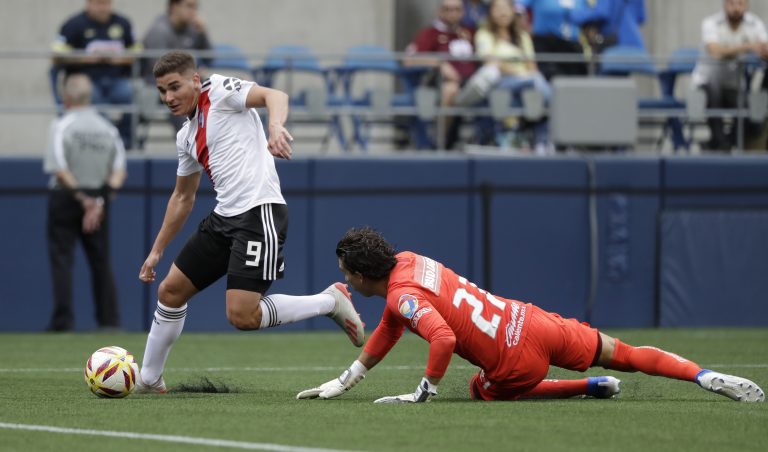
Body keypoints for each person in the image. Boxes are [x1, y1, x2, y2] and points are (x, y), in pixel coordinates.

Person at [297, 227, 765, 403]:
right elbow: (390, 328)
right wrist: (346, 380)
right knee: (623, 352)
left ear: (360, 274)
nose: (347, 281)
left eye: (346, 274)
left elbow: (441, 340)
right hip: (530, 320)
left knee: (480, 391)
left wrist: (425, 391)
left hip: (513, 362)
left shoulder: (400, 297)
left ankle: (585, 387)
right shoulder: (410, 263)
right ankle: (702, 376)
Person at [135, 51, 365, 393]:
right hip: (223, 218)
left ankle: (330, 301)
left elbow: (276, 95)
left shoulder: (220, 90)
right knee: (170, 291)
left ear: (195, 80)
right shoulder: (186, 136)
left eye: (174, 87)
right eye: (161, 91)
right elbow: (183, 198)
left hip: (260, 214)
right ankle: (150, 379)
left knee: (242, 316)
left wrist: (274, 126)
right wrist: (156, 252)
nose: (168, 97)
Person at [44, 74, 127, 332]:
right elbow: (119, 170)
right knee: (101, 260)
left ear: (66, 98)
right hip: (99, 198)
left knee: (62, 259)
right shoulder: (108, 129)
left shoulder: (61, 125)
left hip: (67, 198)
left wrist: (83, 200)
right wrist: (98, 202)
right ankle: (109, 321)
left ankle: (63, 321)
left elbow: (60, 169)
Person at [455, 0, 554, 154]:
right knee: (535, 84)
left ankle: (537, 142)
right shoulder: (484, 34)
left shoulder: (523, 36)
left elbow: (532, 65)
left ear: (513, 11)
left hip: (525, 88)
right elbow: (491, 62)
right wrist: (522, 75)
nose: (502, 12)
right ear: (491, 12)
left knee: (525, 93)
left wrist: (527, 77)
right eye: (498, 8)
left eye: (506, 8)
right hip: (500, 83)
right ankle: (552, 109)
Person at [52, 0, 141, 149]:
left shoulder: (123, 23)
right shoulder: (73, 24)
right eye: (98, 3)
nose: (102, 8)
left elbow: (138, 52)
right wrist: (84, 58)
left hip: (117, 79)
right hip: (87, 79)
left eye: (106, 3)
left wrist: (119, 59)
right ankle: (103, 143)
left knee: (133, 95)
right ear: (88, 4)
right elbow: (56, 56)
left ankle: (125, 141)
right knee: (94, 101)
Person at [692, 0, 768, 152]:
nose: (735, 8)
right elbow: (715, 51)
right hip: (706, 83)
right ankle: (720, 144)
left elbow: (765, 50)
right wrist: (748, 47)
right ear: (724, 5)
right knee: (714, 91)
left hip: (733, 86)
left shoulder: (755, 24)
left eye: (740, 3)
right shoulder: (710, 23)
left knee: (752, 115)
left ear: (746, 5)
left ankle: (720, 144)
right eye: (731, 3)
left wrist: (759, 51)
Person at [404, 0, 476, 150]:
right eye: (447, 9)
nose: (452, 13)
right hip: (439, 84)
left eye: (456, 9)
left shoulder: (470, 33)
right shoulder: (429, 34)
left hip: (472, 85)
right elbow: (409, 60)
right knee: (451, 89)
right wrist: (440, 63)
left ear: (463, 12)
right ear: (439, 12)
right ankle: (442, 141)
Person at [142, 0, 213, 132]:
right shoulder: (159, 30)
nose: (194, 12)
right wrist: (193, 72)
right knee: (185, 98)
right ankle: (192, 143)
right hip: (158, 86)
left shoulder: (193, 29)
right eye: (189, 6)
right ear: (174, 7)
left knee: (215, 93)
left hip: (185, 81)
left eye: (196, 7)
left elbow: (210, 58)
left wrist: (203, 32)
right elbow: (161, 69)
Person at [517, 0, 589, 79]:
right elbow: (518, 7)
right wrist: (525, 27)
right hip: (544, 44)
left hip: (571, 46)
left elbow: (587, 14)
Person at [573, 0, 647, 55]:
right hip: (632, 44)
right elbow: (641, 17)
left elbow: (602, 12)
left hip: (612, 45)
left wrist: (576, 15)